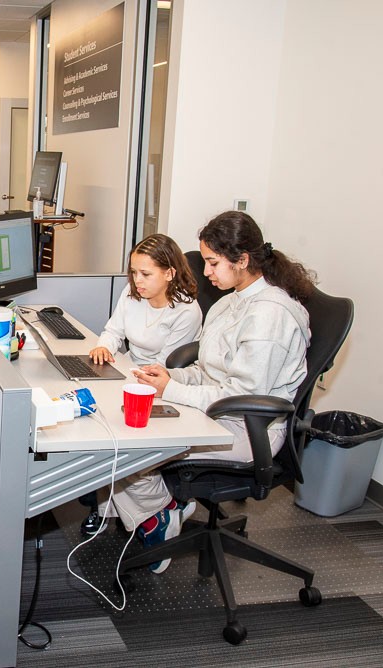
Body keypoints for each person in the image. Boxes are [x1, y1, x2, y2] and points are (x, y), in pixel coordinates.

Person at [113, 210, 315, 573]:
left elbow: (241, 397)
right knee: (119, 431)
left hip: (247, 429)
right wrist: (171, 376)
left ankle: (159, 516)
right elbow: (210, 371)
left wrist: (172, 390)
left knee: (127, 453)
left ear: (243, 260)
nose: (205, 272)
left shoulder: (270, 315)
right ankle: (161, 510)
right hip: (218, 413)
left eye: (212, 262)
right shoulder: (230, 301)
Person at [78, 234, 202, 536]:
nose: (137, 280)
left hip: (160, 384)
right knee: (96, 423)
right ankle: (124, 509)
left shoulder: (187, 312)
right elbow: (113, 330)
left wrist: (122, 371)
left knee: (114, 441)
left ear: (170, 273)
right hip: (129, 370)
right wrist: (103, 347)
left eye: (145, 274)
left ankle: (156, 515)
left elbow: (160, 368)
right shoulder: (133, 294)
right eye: (133, 272)